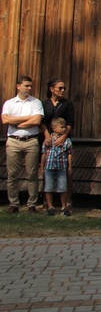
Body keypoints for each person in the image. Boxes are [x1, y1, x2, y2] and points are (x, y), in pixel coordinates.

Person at [2, 76, 44, 213]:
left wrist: (16, 123)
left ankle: (31, 204)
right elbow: (5, 120)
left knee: (31, 173)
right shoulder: (10, 103)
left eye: (30, 86)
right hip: (13, 141)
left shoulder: (35, 102)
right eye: (26, 86)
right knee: (12, 174)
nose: (29, 88)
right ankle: (14, 203)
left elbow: (37, 120)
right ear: (18, 86)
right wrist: (27, 118)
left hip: (31, 140)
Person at [40, 78, 75, 214]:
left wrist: (63, 136)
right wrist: (47, 135)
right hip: (48, 139)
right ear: (51, 89)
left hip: (64, 138)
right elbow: (42, 121)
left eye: (64, 88)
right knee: (47, 168)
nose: (62, 90)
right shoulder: (44, 104)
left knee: (65, 172)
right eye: (59, 88)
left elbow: (70, 122)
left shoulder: (67, 104)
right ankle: (47, 202)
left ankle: (67, 202)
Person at [39, 117, 73, 216]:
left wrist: (69, 166)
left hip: (61, 167)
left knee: (62, 188)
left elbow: (69, 153)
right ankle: (50, 207)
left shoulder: (67, 141)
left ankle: (64, 207)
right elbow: (44, 153)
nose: (64, 129)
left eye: (64, 127)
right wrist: (42, 167)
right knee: (48, 188)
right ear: (54, 128)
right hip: (49, 167)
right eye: (62, 127)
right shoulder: (48, 140)